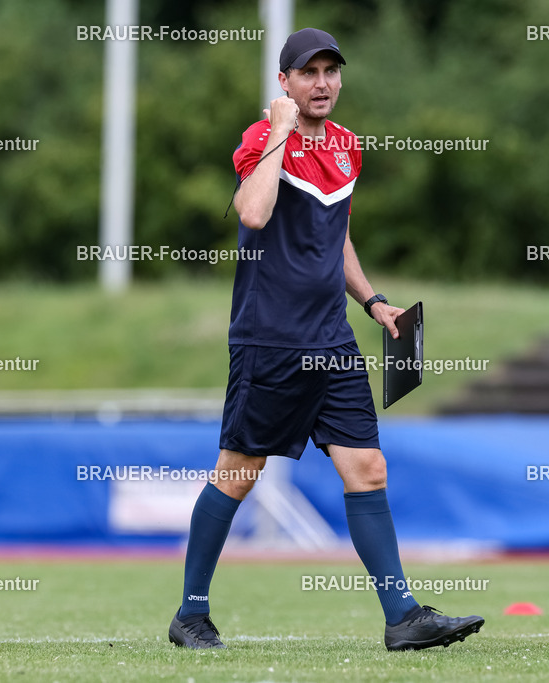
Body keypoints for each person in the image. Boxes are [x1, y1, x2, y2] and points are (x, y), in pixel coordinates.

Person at [169, 27, 484, 652]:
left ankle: (403, 617)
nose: (323, 83)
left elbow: (333, 236)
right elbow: (254, 213)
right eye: (308, 73)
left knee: (367, 468)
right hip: (269, 340)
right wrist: (280, 133)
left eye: (331, 72)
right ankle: (190, 615)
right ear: (283, 82)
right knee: (239, 471)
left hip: (332, 342)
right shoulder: (263, 140)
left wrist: (373, 302)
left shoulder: (347, 146)